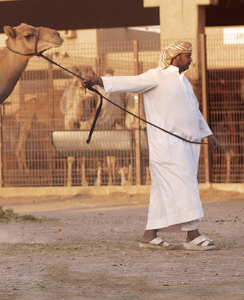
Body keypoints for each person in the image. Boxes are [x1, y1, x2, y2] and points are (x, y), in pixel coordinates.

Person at [84, 40, 218, 249]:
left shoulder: (185, 82)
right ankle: (192, 235)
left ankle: (149, 236)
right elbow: (130, 82)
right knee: (185, 185)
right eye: (187, 56)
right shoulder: (156, 76)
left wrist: (208, 133)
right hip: (167, 145)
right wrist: (99, 80)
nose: (191, 60)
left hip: (188, 144)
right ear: (175, 58)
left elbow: (194, 111)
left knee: (163, 191)